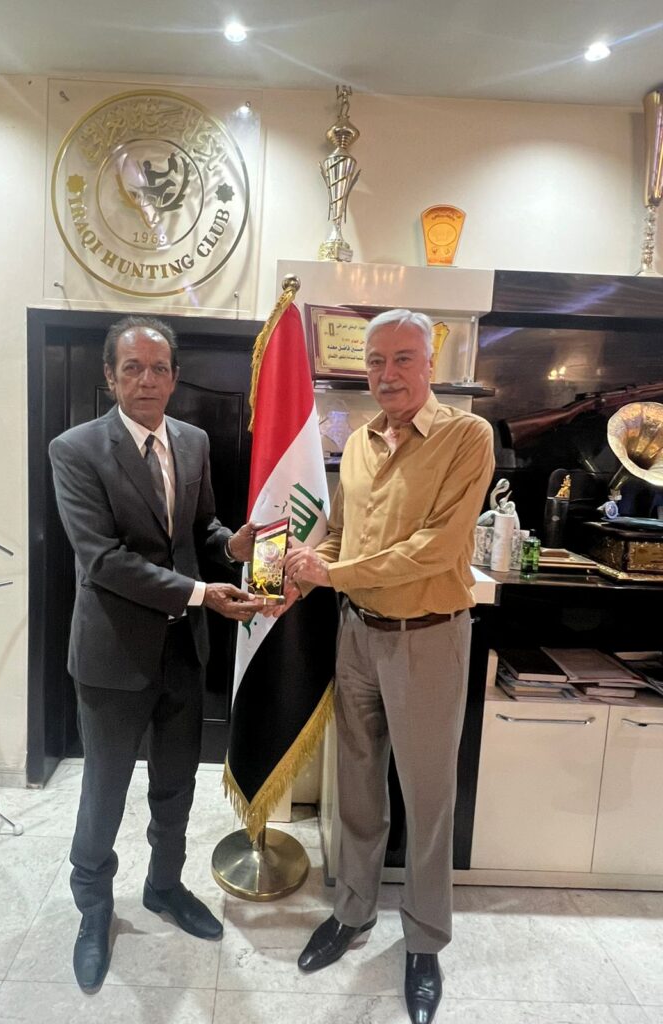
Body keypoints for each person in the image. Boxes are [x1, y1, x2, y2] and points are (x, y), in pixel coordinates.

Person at [283, 309, 494, 1024]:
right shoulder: (359, 442)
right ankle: (353, 912)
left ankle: (425, 942)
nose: (388, 374)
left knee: (428, 799)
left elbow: (438, 547)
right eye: (376, 361)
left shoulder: (467, 436)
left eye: (403, 358)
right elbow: (342, 533)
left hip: (427, 639)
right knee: (356, 787)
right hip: (358, 636)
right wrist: (301, 565)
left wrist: (334, 573)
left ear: (430, 363)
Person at [49, 315, 262, 994]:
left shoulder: (193, 442)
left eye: (159, 368)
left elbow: (199, 529)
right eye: (133, 368)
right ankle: (93, 908)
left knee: (176, 784)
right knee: (104, 790)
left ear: (174, 376)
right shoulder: (75, 450)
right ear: (110, 376)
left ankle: (164, 886)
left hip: (182, 651)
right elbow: (103, 559)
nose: (147, 380)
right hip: (113, 653)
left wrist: (232, 545)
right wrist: (201, 592)